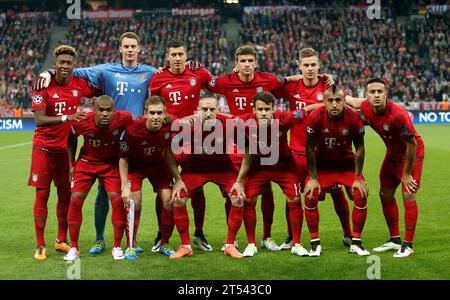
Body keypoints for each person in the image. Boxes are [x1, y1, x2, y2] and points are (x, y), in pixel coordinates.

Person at [33, 32, 157, 255]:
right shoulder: (104, 70)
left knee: (131, 195)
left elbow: (171, 74)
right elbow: (69, 71)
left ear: (140, 49)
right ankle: (100, 239)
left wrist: (192, 65)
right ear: (120, 48)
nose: (130, 50)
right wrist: (47, 72)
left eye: (133, 46)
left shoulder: (150, 72)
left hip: (134, 141)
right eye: (126, 46)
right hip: (108, 142)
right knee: (104, 193)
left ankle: (131, 240)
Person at [206, 45, 290, 251]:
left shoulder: (267, 79)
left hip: (263, 141)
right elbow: (205, 81)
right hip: (238, 141)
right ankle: (232, 237)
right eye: (242, 61)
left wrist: (321, 76)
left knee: (267, 187)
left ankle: (266, 237)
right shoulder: (226, 81)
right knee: (233, 190)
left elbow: (290, 80)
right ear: (236, 64)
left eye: (250, 61)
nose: (246, 64)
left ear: (255, 63)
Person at [274, 47, 352, 250]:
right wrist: (293, 77)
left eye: (313, 65)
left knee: (337, 192)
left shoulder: (328, 88)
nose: (310, 69)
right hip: (297, 151)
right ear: (300, 66)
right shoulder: (292, 87)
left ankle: (348, 234)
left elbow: (343, 105)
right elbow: (274, 83)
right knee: (293, 195)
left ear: (319, 65)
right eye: (306, 65)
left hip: (323, 153)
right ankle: (291, 236)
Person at [227, 91, 319, 258]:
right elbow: (223, 118)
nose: (263, 113)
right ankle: (251, 244)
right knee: (249, 200)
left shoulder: (284, 118)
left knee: (295, 199)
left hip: (284, 167)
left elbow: (307, 109)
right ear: (253, 110)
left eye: (267, 109)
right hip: (259, 167)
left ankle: (296, 243)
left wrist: (330, 104)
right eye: (260, 109)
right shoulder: (243, 121)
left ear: (273, 109)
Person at [29, 45, 96, 260]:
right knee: (42, 194)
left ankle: (61, 240)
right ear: (55, 64)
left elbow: (101, 87)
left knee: (64, 195)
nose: (65, 66)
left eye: (69, 63)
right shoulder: (42, 85)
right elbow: (39, 120)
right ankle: (40, 244)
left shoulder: (78, 84)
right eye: (61, 63)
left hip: (64, 150)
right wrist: (67, 118)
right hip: (43, 148)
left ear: (73, 65)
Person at [149, 39, 216, 252]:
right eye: (173, 54)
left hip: (193, 139)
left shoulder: (200, 73)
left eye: (181, 54)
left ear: (186, 56)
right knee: (164, 190)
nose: (177, 58)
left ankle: (198, 232)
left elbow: (222, 84)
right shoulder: (158, 78)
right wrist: (176, 120)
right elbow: (153, 108)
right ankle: (162, 234)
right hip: (167, 139)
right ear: (167, 57)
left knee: (196, 188)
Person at [346, 78, 424, 258]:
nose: (376, 95)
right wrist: (329, 82)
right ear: (366, 95)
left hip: (411, 154)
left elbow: (412, 144)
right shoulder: (365, 107)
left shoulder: (398, 115)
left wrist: (406, 174)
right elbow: (349, 100)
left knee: (408, 194)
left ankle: (408, 245)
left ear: (386, 94)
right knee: (385, 194)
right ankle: (395, 239)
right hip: (392, 154)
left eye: (379, 92)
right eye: (372, 92)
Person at [167, 93, 242, 259]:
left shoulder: (229, 126)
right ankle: (185, 245)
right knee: (178, 198)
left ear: (218, 111)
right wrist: (178, 180)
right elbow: (170, 153)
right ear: (197, 111)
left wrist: (240, 181)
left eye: (212, 109)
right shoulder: (187, 127)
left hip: (223, 169)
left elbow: (248, 149)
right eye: (204, 109)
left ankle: (230, 244)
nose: (208, 113)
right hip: (195, 170)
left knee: (238, 197)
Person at [63, 95, 135, 261]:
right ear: (93, 110)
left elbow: (137, 130)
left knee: (117, 201)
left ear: (114, 111)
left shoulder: (125, 118)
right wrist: (71, 163)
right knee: (75, 200)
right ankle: (74, 247)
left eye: (108, 110)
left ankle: (116, 246)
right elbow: (71, 138)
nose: (104, 114)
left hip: (110, 164)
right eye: (101, 110)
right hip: (87, 162)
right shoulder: (81, 121)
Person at [304, 85, 370, 257]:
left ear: (344, 102)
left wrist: (357, 177)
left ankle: (356, 241)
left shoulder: (354, 118)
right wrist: (312, 178)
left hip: (346, 166)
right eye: (330, 101)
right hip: (323, 167)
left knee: (360, 193)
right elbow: (309, 149)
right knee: (310, 195)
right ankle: (315, 243)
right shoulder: (315, 117)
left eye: (338, 100)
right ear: (324, 102)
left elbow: (360, 148)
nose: (334, 105)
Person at [119, 96, 176, 259]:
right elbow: (123, 158)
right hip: (135, 168)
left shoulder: (170, 126)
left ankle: (164, 243)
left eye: (160, 113)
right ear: (145, 114)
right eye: (152, 113)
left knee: (168, 200)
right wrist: (124, 185)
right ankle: (131, 245)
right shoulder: (132, 131)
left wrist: (177, 178)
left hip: (158, 167)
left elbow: (170, 152)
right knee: (134, 201)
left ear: (165, 114)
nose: (156, 116)